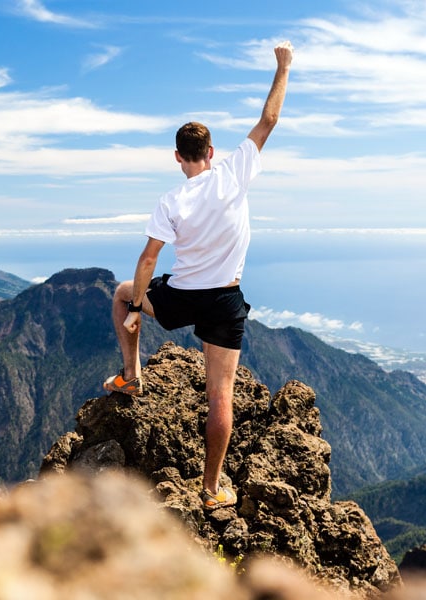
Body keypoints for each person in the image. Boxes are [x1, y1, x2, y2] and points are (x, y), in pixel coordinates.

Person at [102, 41, 293, 510]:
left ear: (177, 157)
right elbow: (268, 121)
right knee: (220, 397)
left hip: (180, 295)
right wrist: (283, 66)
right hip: (224, 300)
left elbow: (147, 262)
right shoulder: (233, 174)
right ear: (210, 151)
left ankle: (132, 374)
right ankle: (210, 490)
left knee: (121, 292)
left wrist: (133, 310)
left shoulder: (171, 201)